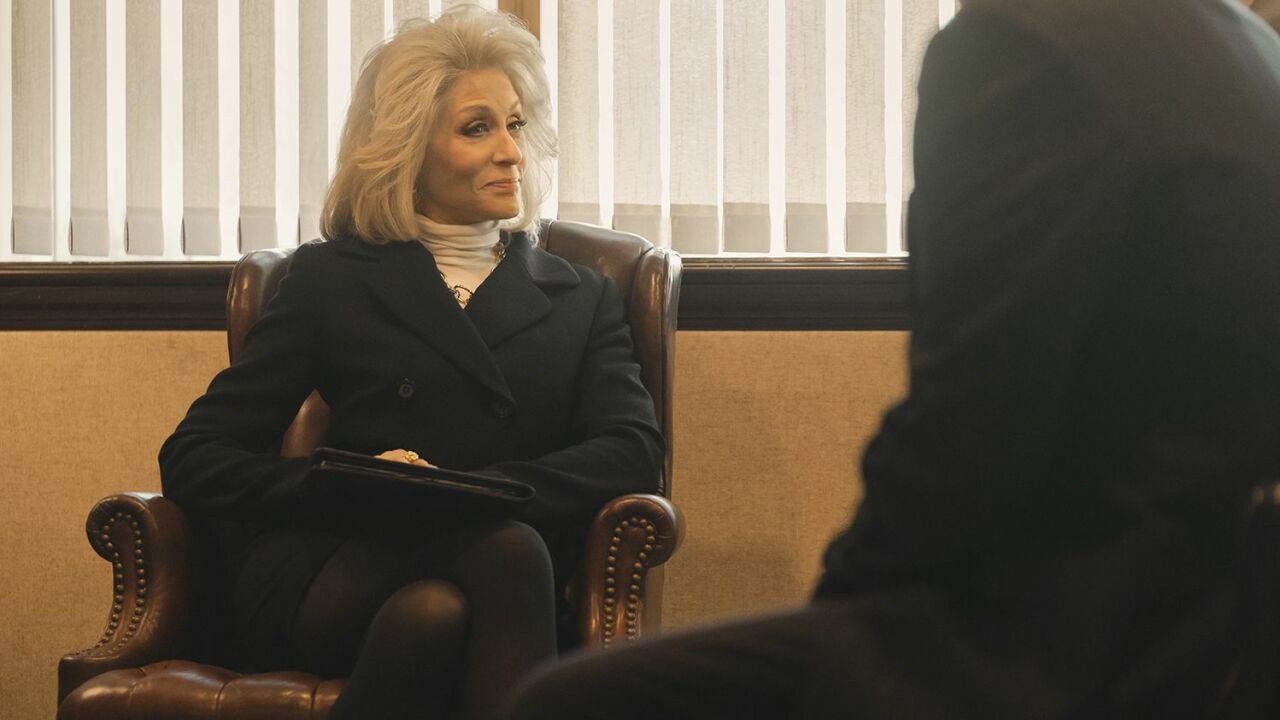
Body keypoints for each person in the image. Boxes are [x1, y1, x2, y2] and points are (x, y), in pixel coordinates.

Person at [502, 0, 1280, 718]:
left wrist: (842, 613)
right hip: (1225, 615)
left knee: (562, 704)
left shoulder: (1022, 47)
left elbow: (971, 422)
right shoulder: (1241, 44)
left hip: (1069, 629)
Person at [159, 6, 662, 720]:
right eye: (477, 128)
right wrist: (348, 484)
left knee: (435, 613)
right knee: (505, 555)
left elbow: (632, 451)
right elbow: (194, 456)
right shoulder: (331, 279)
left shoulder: (582, 296)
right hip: (338, 567)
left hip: (503, 574)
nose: (512, 153)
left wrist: (472, 493)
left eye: (515, 125)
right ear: (407, 149)